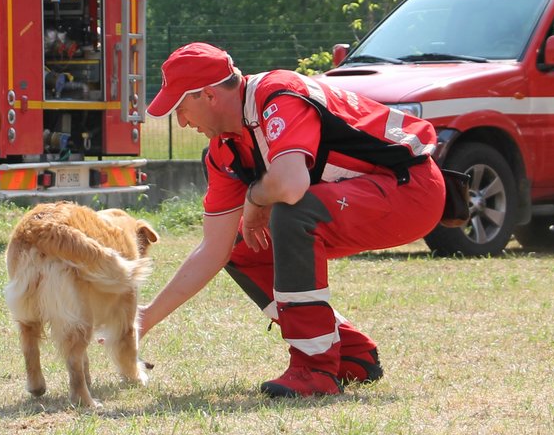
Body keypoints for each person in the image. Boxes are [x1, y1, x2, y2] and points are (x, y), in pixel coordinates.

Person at [138, 42, 446, 397]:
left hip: (413, 189)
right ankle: (348, 352)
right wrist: (145, 319)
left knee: (292, 210)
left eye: (181, 107)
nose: (181, 121)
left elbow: (290, 184)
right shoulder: (224, 150)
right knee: (242, 247)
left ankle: (314, 368)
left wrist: (254, 197)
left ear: (208, 95)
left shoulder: (278, 94)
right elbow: (213, 249)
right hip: (368, 197)